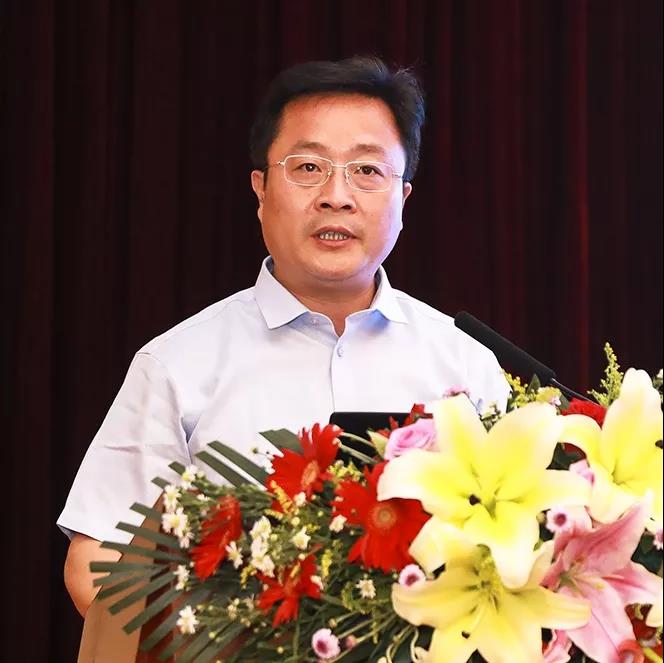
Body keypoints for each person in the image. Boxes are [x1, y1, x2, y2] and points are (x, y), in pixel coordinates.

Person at [59, 56, 509, 616]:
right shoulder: (177, 365)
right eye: (308, 167)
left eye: (367, 171)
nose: (336, 195)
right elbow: (99, 560)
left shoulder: (466, 365)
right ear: (261, 189)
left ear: (403, 199)